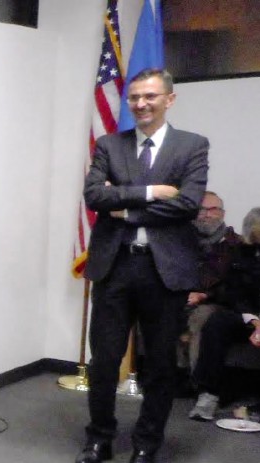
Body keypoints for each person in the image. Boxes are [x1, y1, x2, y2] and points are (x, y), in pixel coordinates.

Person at [78, 68, 209, 463]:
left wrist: (125, 211)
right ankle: (99, 438)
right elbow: (93, 198)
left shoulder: (192, 146)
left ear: (169, 99)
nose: (140, 104)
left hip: (163, 271)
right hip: (114, 267)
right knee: (103, 361)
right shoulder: (109, 145)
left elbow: (187, 204)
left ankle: (146, 444)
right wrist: (151, 192)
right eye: (134, 97)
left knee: (159, 365)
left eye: (150, 96)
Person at [188, 208, 260, 421]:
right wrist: (255, 321)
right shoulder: (242, 253)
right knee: (217, 322)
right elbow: (234, 292)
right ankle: (208, 394)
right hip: (248, 315)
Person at [178, 191, 240, 374]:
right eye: (201, 209)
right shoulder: (180, 243)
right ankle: (169, 376)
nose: (206, 214)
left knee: (201, 317)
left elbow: (236, 286)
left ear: (222, 213)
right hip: (182, 297)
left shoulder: (236, 245)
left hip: (217, 302)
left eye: (212, 209)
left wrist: (205, 295)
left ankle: (197, 380)